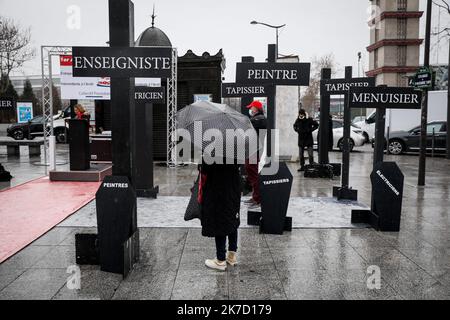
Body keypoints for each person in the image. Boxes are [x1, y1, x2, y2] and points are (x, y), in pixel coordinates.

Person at [200, 162, 241, 271]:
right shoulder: (237, 147)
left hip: (218, 188)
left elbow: (204, 169)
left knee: (219, 219)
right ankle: (232, 256)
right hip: (233, 186)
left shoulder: (213, 149)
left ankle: (220, 260)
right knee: (233, 217)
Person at [244, 101, 267, 210]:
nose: (250, 110)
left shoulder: (258, 119)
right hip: (253, 149)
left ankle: (258, 198)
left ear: (256, 109)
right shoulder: (257, 119)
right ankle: (255, 196)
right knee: (251, 172)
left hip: (254, 149)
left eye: (251, 108)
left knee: (253, 173)